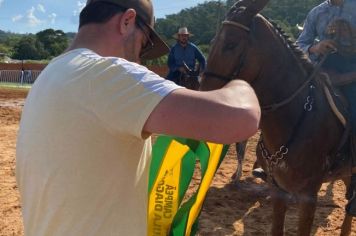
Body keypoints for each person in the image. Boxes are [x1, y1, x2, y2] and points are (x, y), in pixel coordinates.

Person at [15, 0, 261, 235]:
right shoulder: (107, 74)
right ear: (127, 21)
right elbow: (241, 119)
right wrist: (242, 83)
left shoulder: (48, 77)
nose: (139, 59)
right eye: (143, 45)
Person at [296, 0, 356, 216]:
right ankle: (277, 166)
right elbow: (300, 43)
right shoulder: (316, 12)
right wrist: (314, 47)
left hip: (353, 69)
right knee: (294, 105)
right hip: (322, 69)